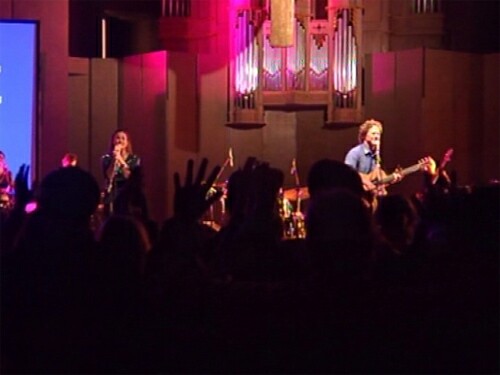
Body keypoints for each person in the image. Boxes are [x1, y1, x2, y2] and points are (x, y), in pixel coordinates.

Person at [344, 119, 402, 196]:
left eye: (378, 134)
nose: (376, 136)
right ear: (364, 135)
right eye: (373, 133)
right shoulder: (355, 152)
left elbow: (378, 180)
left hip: (371, 198)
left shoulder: (376, 155)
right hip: (356, 195)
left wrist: (391, 179)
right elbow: (347, 173)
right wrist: (366, 182)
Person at [101, 130, 141, 213]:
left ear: (127, 142)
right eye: (117, 138)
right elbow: (109, 175)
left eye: (123, 138)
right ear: (113, 141)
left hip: (128, 194)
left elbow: (129, 176)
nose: (120, 140)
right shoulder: (106, 158)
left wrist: (120, 158)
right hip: (112, 194)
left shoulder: (134, 159)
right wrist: (114, 160)